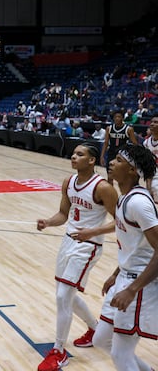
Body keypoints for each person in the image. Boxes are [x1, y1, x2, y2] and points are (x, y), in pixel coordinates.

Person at [36, 144, 118, 371]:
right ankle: (95, 328)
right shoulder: (68, 182)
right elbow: (64, 214)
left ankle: (59, 351)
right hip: (68, 240)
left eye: (80, 154)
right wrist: (48, 222)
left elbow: (120, 221)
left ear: (92, 161)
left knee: (63, 296)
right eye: (73, 153)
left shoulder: (103, 188)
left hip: (88, 245)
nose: (74, 156)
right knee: (66, 295)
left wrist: (93, 232)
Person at [91, 144, 158, 371]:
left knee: (121, 354)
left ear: (132, 170)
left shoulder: (139, 203)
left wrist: (131, 289)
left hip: (140, 284)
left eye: (119, 160)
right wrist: (115, 274)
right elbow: (134, 245)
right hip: (125, 278)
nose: (111, 162)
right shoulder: (124, 199)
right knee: (100, 340)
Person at [101, 110, 138, 185]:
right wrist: (102, 156)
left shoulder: (129, 129)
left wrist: (135, 157)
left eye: (119, 117)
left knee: (122, 177)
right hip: (111, 153)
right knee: (110, 177)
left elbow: (135, 144)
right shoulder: (109, 128)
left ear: (123, 118)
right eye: (115, 117)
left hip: (122, 155)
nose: (117, 118)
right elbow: (105, 143)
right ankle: (110, 195)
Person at [142, 116, 158, 202]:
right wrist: (148, 187)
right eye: (151, 122)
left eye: (156, 122)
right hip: (153, 173)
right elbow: (148, 166)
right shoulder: (146, 143)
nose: (152, 124)